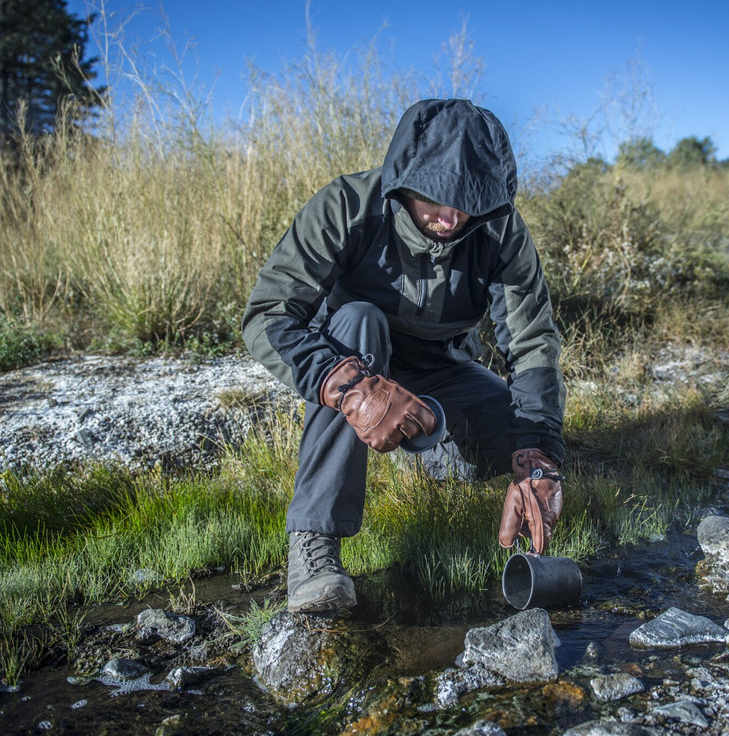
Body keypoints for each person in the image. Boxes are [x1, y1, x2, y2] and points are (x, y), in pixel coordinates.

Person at [241, 98, 566, 613]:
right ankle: (313, 547)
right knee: (358, 320)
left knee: (516, 432)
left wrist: (539, 459)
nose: (451, 217)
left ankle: (427, 442)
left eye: (469, 202)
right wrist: (348, 386)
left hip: (445, 368)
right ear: (405, 178)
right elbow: (269, 316)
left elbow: (532, 346)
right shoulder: (346, 206)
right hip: (357, 358)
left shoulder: (501, 232)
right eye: (437, 198)